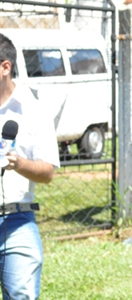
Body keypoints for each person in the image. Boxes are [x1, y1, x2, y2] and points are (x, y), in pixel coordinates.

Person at [0, 33, 59, 299]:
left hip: (16, 220)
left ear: (5, 67)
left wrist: (20, 163)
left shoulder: (33, 110)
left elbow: (47, 172)